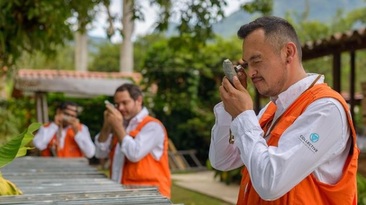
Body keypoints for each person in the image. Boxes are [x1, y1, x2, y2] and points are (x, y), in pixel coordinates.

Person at [209, 16, 359, 205]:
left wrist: (243, 115)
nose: (251, 72)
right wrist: (228, 107)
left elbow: (270, 183)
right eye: (247, 64)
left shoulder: (326, 109)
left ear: (288, 53)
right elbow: (221, 160)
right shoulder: (272, 110)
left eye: (257, 61)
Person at [94, 83, 171, 198]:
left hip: (151, 197)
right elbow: (99, 153)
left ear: (138, 100)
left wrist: (118, 127)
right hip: (124, 195)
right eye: (117, 104)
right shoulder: (121, 124)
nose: (120, 108)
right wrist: (107, 125)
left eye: (125, 103)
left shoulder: (152, 126)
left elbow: (134, 154)